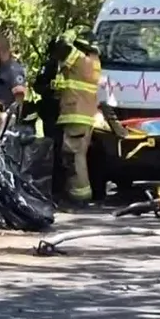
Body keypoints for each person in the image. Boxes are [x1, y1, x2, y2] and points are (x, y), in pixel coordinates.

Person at [48, 26, 102, 206]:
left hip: (76, 114)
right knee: (77, 155)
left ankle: (78, 197)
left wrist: (70, 32)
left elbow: (61, 46)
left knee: (74, 157)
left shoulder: (80, 60)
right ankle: (79, 194)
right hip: (84, 115)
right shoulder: (94, 62)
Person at [0, 36, 27, 110]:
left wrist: (11, 117)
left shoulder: (14, 70)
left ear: (1, 51)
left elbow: (19, 100)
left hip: (5, 116)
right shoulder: (0, 67)